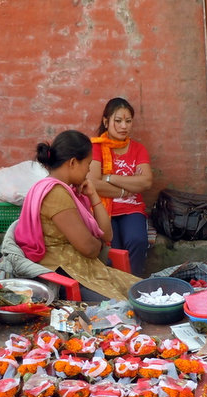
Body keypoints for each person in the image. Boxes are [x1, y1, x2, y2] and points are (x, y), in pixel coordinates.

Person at [13, 130, 139, 301]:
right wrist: (97, 243)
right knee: (128, 305)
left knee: (141, 293)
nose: (89, 170)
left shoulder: (70, 191)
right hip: (65, 276)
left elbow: (107, 236)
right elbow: (90, 248)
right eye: (87, 164)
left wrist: (94, 196)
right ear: (73, 163)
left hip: (82, 267)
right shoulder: (56, 194)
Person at [88, 97, 153, 276]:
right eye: (118, 121)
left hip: (132, 209)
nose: (124, 126)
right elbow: (93, 183)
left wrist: (108, 177)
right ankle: (114, 291)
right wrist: (128, 187)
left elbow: (146, 182)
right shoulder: (96, 148)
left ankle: (135, 285)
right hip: (103, 209)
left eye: (128, 121)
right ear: (106, 121)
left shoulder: (138, 149)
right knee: (112, 248)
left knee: (137, 240)